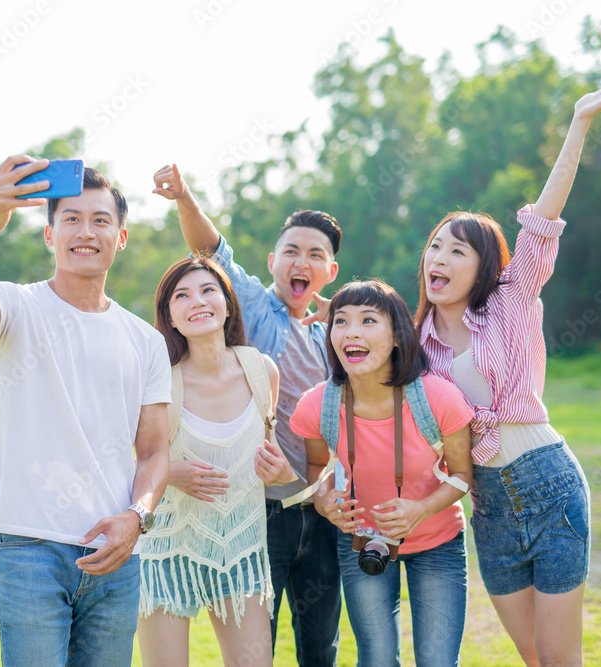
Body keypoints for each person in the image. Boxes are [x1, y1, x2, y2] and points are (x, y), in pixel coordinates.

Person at [413, 81, 601, 666]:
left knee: (561, 659)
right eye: (435, 247)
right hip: (488, 509)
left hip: (551, 487)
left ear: (484, 265)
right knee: (535, 659)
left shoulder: (511, 300)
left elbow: (546, 217)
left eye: (457, 251)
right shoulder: (416, 343)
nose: (439, 258)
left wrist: (578, 123)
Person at [0, 156, 171, 666]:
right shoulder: (16, 307)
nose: (86, 232)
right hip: (31, 552)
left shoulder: (146, 342)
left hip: (116, 557)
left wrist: (138, 518)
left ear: (122, 237)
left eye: (101, 220)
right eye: (72, 219)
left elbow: (154, 452)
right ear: (49, 235)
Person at [153, 164, 343, 665]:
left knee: (321, 644)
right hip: (262, 508)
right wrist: (185, 197)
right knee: (258, 643)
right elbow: (210, 253)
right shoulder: (255, 307)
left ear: (330, 272)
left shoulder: (337, 334)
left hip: (320, 503)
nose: (301, 262)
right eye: (291, 252)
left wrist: (343, 311)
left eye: (315, 255)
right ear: (273, 261)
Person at [290, 280, 474, 667]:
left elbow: (462, 475)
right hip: (361, 542)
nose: (352, 331)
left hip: (437, 541)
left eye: (369, 320)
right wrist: (323, 501)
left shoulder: (438, 398)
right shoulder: (316, 405)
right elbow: (315, 467)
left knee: (438, 661)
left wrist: (420, 508)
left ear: (396, 336)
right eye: (340, 321)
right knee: (376, 660)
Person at [137, 256, 295, 667]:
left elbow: (270, 457)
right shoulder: (159, 379)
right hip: (167, 548)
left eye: (208, 290)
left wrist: (280, 472)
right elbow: (121, 459)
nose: (197, 301)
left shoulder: (262, 371)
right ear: (169, 316)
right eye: (182, 295)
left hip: (241, 545)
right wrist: (170, 472)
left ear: (228, 303)